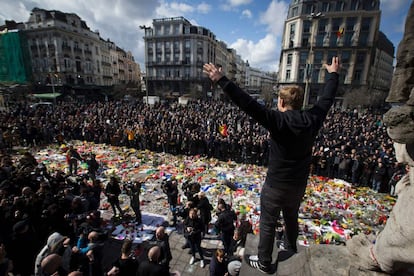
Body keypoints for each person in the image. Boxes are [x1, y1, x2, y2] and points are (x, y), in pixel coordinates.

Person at [203, 56, 340, 273]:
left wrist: (221, 79)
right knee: (291, 215)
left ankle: (265, 262)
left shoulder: (277, 120)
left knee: (268, 222)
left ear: (282, 102)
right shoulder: (312, 119)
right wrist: (333, 74)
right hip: (297, 185)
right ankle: (290, 244)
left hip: (276, 185)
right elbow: (326, 99)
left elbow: (246, 103)